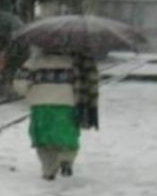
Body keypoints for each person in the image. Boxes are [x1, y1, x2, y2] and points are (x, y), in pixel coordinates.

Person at [13, 48, 100, 180]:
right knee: (68, 136)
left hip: (41, 106)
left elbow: (20, 85)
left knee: (43, 140)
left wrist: (30, 91)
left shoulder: (34, 62)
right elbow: (88, 82)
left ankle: (48, 170)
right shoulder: (75, 61)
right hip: (67, 105)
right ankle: (66, 160)